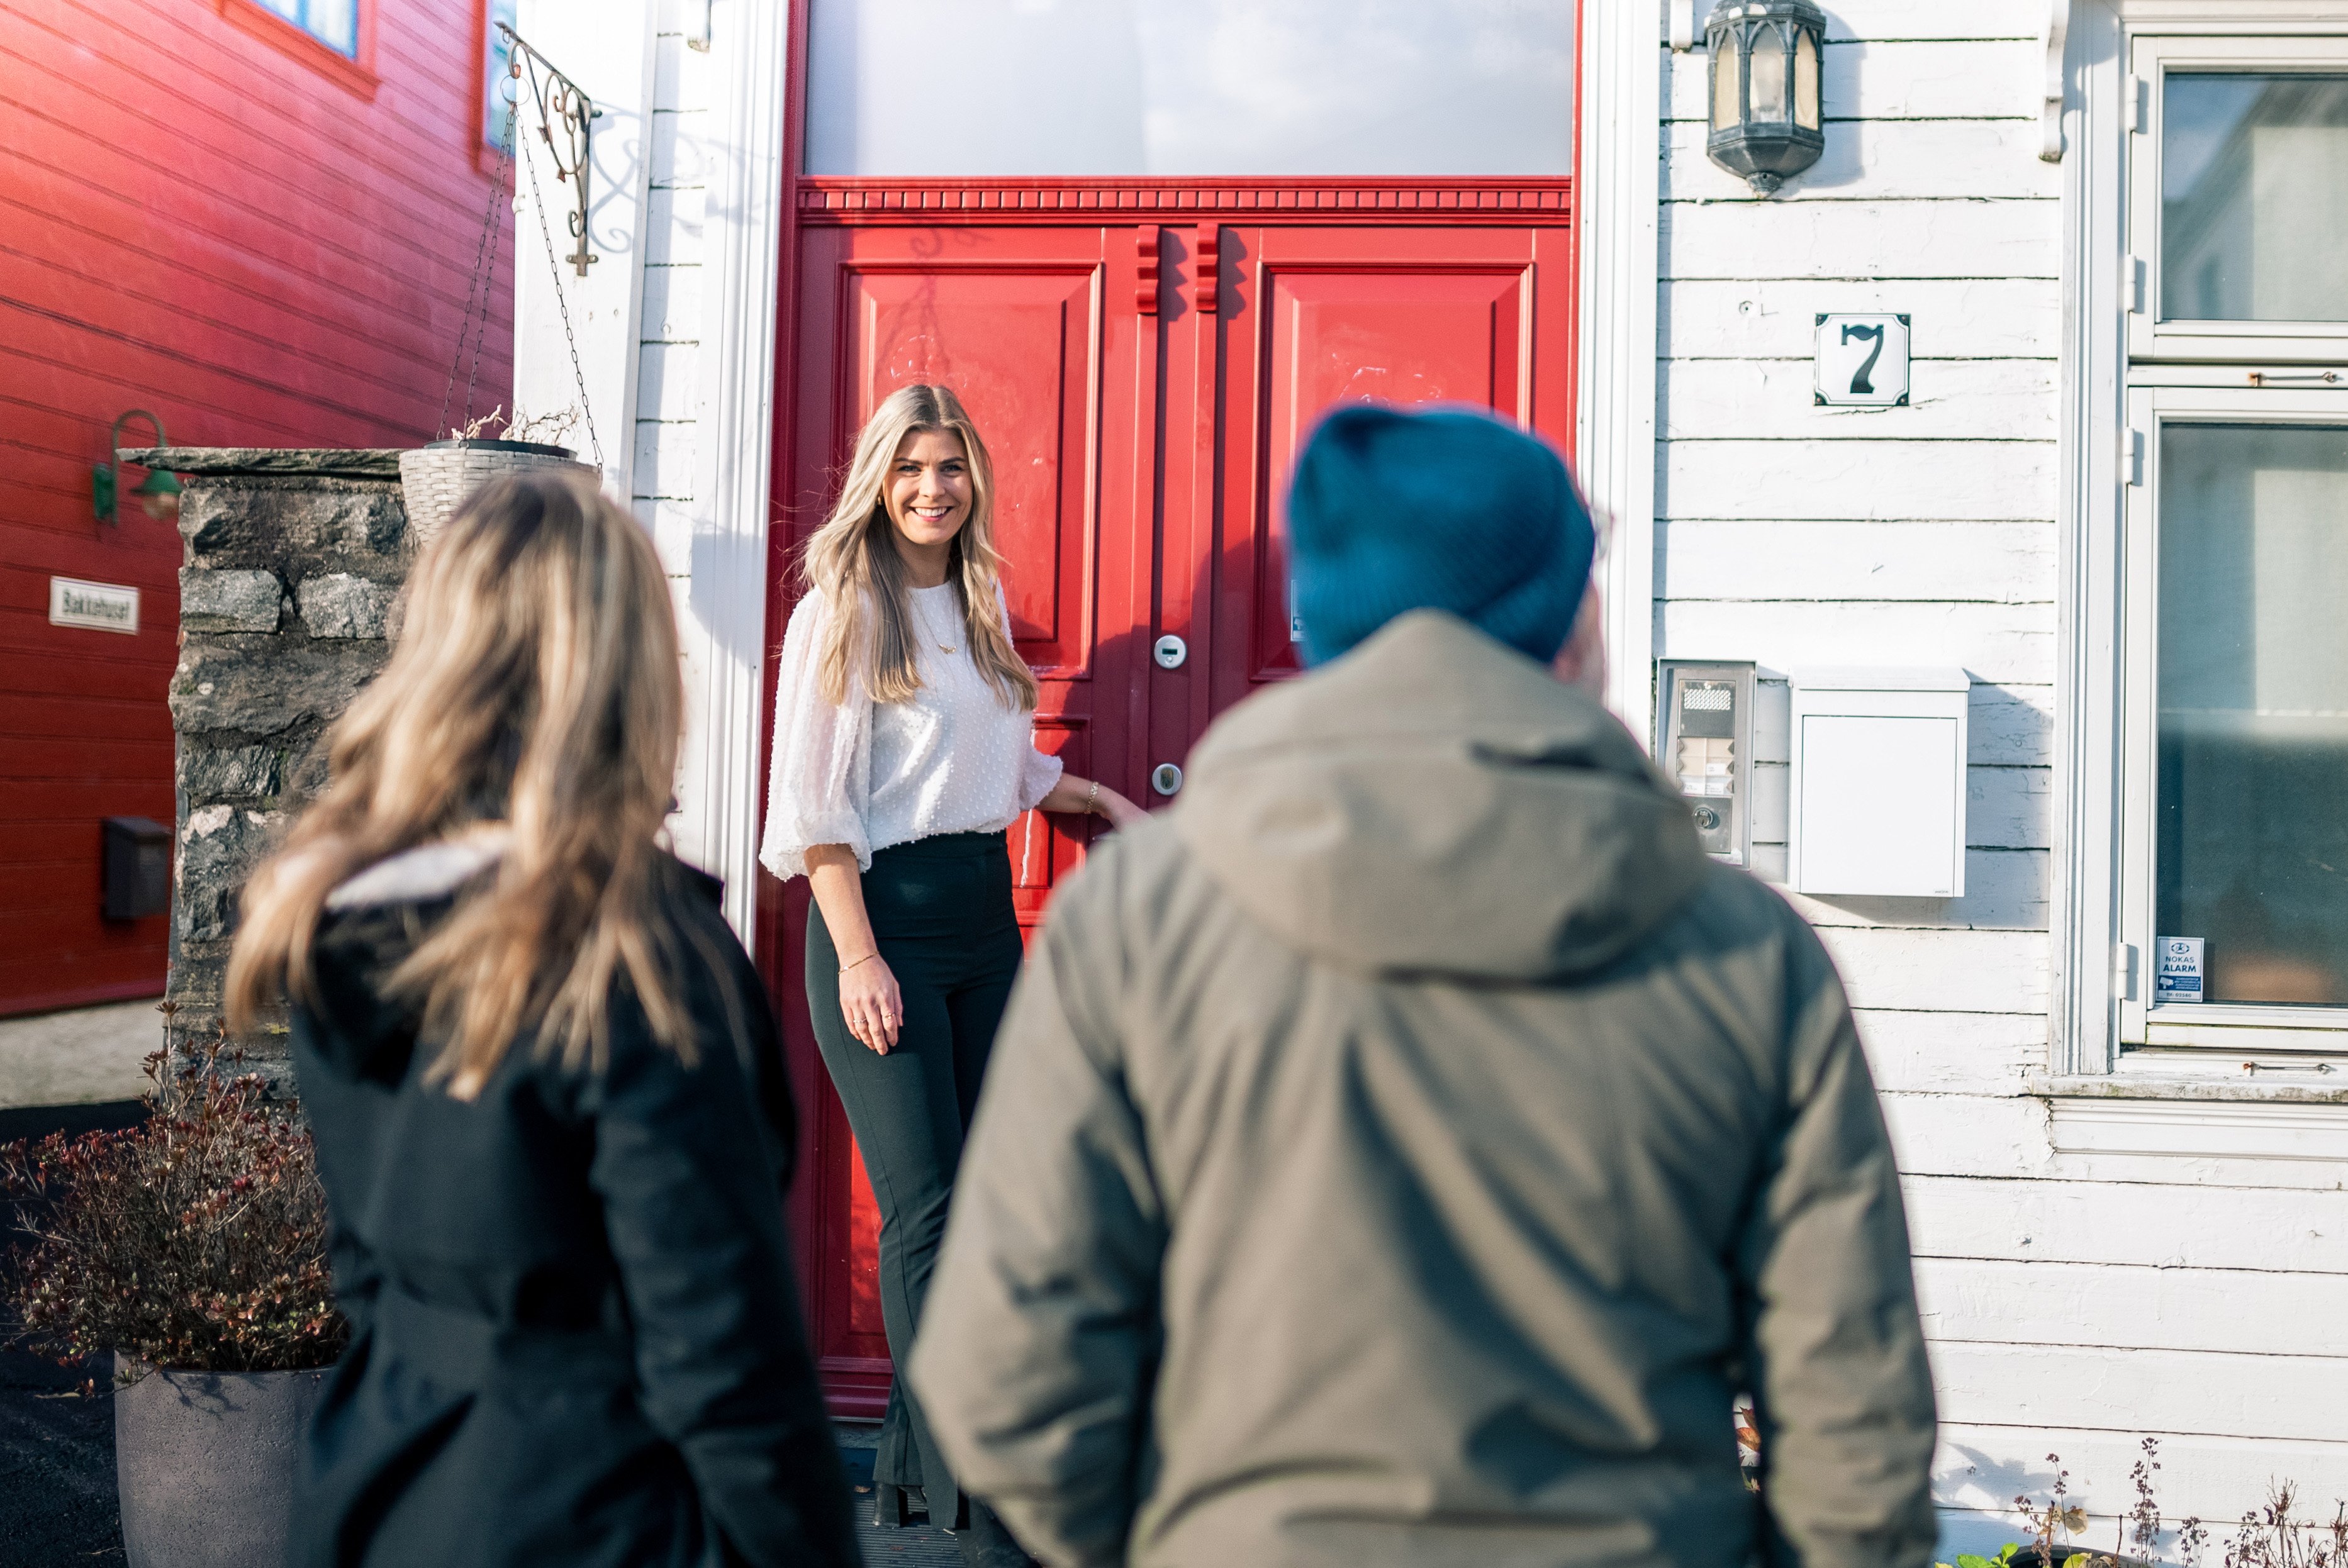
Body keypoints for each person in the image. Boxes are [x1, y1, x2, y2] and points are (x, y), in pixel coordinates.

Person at [909, 404, 1940, 1568]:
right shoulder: (1743, 952)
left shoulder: (1140, 923)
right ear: (1567, 623)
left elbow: (1006, 1378)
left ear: (1331, 623)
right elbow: (1856, 1420)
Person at [225, 474, 858, 1568]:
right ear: (628, 667)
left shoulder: (328, 916)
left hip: (385, 1489)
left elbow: (366, 1273)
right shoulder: (639, 952)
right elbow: (725, 1357)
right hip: (603, 1510)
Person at [761, 383, 1144, 1565]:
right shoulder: (840, 613)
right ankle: (966, 1471)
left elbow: (995, 764)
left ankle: (930, 1482)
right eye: (912, 467)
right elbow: (817, 809)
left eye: (953, 468)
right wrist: (862, 952)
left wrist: (1098, 800)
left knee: (986, 1198)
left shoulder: (975, 607)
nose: (934, 488)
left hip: (985, 918)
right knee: (925, 1208)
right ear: (879, 479)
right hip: (879, 920)